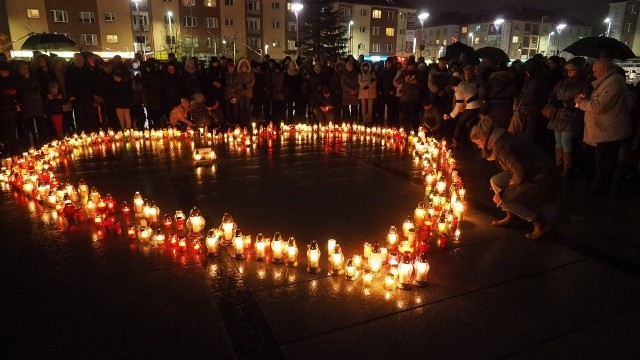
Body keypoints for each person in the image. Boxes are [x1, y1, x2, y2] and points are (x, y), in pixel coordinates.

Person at [470, 115, 558, 240]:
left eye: (478, 143)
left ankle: (540, 223)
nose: (478, 147)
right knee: (495, 181)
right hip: (532, 171)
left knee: (502, 199)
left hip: (540, 177)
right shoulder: (499, 138)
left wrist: (505, 191)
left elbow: (520, 173)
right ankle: (512, 217)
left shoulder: (502, 146)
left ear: (484, 138)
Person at [575, 58, 633, 195]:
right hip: (605, 128)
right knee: (601, 161)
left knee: (604, 162)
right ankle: (598, 185)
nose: (594, 74)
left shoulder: (613, 83)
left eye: (595, 71)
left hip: (610, 130)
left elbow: (599, 106)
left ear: (604, 70)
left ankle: (599, 189)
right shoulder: (607, 81)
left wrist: (581, 102)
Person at [546, 60, 589, 177]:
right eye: (568, 70)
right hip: (558, 115)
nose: (569, 72)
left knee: (566, 142)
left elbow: (582, 99)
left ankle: (567, 168)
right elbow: (553, 93)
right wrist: (553, 101)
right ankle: (558, 164)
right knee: (558, 141)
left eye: (572, 70)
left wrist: (568, 104)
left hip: (571, 116)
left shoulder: (584, 83)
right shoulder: (563, 81)